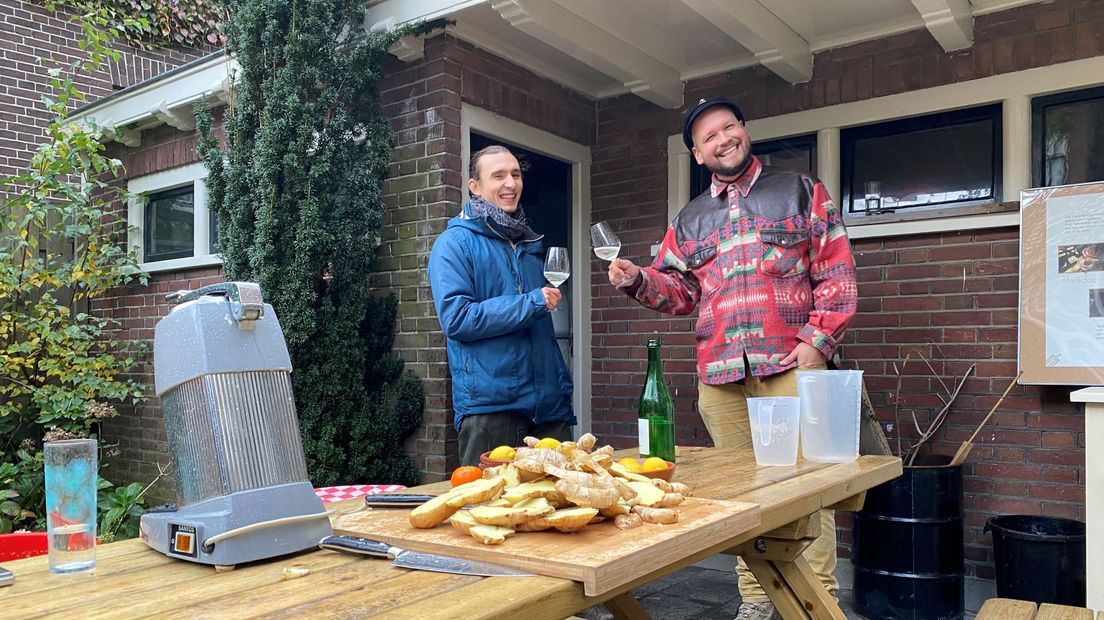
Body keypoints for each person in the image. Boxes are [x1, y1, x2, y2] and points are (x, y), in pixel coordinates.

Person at [608, 97, 857, 620]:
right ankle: (755, 600)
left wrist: (817, 343)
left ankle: (818, 602)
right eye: (710, 137)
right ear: (698, 154)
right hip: (721, 376)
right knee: (744, 493)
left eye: (729, 127)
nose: (723, 140)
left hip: (790, 366)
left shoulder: (801, 190)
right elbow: (678, 292)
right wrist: (636, 279)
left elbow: (836, 272)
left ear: (743, 129)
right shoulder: (691, 218)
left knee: (808, 489)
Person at [429, 145, 575, 467]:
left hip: (549, 407)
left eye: (515, 174)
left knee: (563, 509)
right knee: (488, 511)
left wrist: (561, 387)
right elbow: (458, 320)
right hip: (491, 410)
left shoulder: (530, 243)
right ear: (475, 187)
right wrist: (531, 302)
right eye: (498, 176)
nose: (510, 183)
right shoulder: (453, 245)